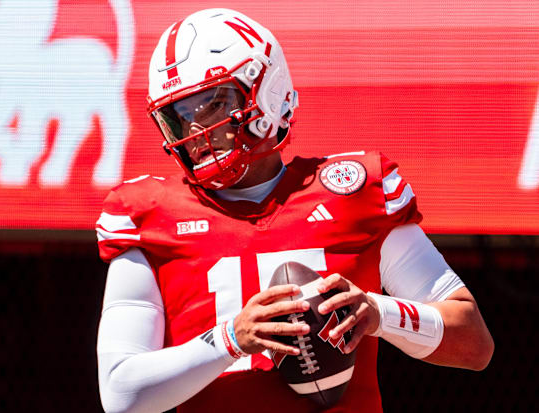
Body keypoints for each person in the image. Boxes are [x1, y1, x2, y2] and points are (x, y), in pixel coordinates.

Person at [95, 8, 494, 413]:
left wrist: (379, 313)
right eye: (178, 115)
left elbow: (473, 344)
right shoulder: (148, 213)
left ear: (266, 90)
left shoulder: (354, 191)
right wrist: (231, 339)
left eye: (211, 105)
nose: (196, 131)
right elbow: (121, 396)